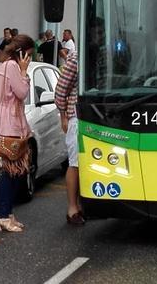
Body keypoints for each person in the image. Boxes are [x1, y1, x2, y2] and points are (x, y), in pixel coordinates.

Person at [0, 34, 34, 233]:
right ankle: (3, 215)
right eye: (28, 55)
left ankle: (8, 213)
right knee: (11, 173)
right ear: (21, 53)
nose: (29, 59)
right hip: (10, 124)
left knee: (16, 172)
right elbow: (22, 93)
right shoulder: (12, 67)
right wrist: (24, 72)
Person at [54, 51, 84, 225]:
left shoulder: (102, 53)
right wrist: (63, 115)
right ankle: (72, 208)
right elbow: (60, 91)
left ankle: (80, 206)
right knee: (75, 163)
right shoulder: (75, 60)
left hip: (93, 116)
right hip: (76, 117)